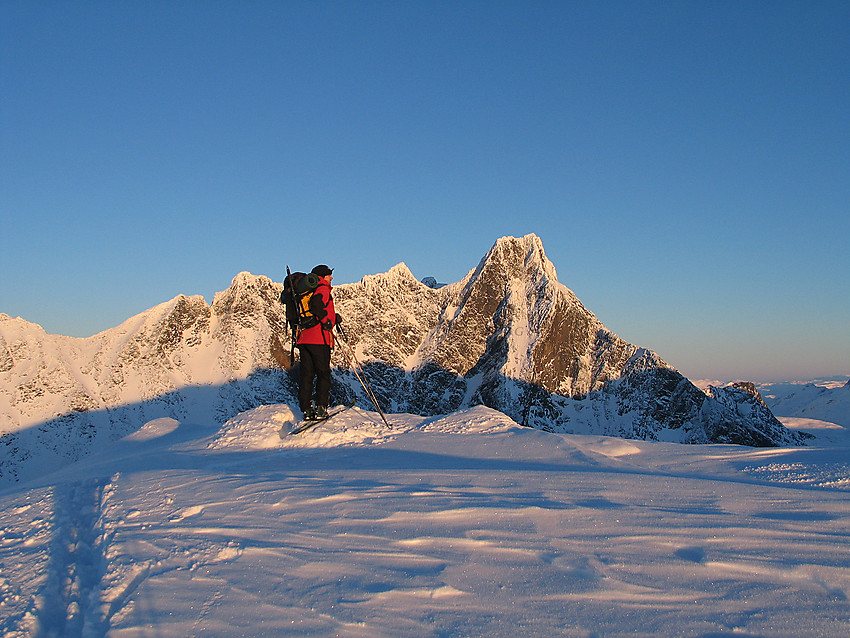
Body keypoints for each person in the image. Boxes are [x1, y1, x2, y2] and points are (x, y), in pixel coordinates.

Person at [296, 264, 340, 420]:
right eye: (329, 275)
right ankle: (321, 408)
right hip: (319, 338)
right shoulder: (322, 288)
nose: (331, 277)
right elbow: (317, 305)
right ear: (323, 276)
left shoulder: (308, 290)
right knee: (323, 374)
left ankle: (307, 410)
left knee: (307, 375)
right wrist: (327, 321)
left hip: (304, 337)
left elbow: (318, 307)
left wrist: (334, 317)